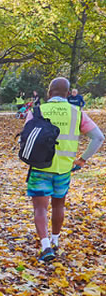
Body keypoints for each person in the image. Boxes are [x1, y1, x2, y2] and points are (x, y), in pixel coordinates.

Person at [25, 77, 103, 262]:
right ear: (68, 94)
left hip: (40, 165)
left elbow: (27, 136)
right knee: (58, 204)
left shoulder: (38, 110)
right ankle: (56, 240)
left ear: (49, 92)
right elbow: (98, 138)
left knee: (40, 208)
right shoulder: (77, 112)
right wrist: (82, 160)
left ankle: (45, 247)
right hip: (64, 169)